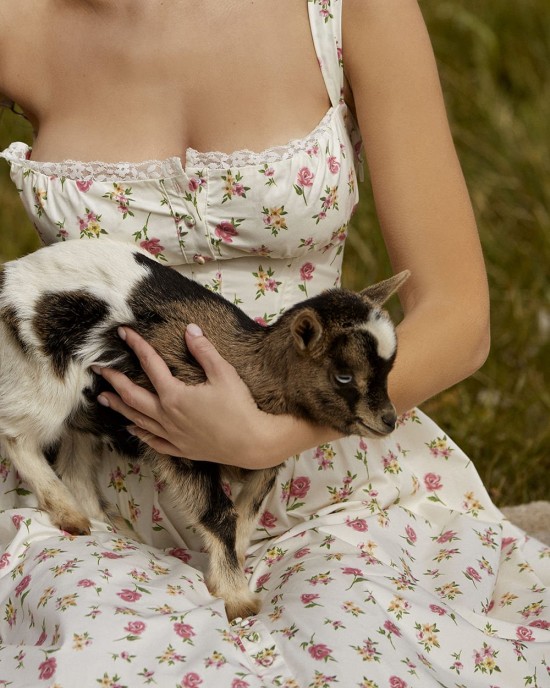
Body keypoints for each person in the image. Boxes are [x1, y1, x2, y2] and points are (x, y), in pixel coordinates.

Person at [0, 1, 548, 686]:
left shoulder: (352, 11)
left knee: (363, 656)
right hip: (99, 497)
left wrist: (268, 439)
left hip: (322, 485)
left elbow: (459, 317)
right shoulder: (20, 23)